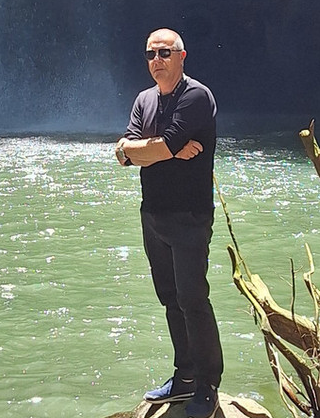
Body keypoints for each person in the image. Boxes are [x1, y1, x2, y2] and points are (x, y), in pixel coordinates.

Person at [114, 28, 223, 418]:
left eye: (164, 52)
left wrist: (147, 150)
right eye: (150, 54)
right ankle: (185, 377)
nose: (156, 60)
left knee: (193, 299)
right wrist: (164, 152)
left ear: (181, 56)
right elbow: (122, 152)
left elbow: (144, 148)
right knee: (170, 299)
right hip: (154, 215)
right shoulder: (144, 99)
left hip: (191, 215)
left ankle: (208, 387)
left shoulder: (196, 96)